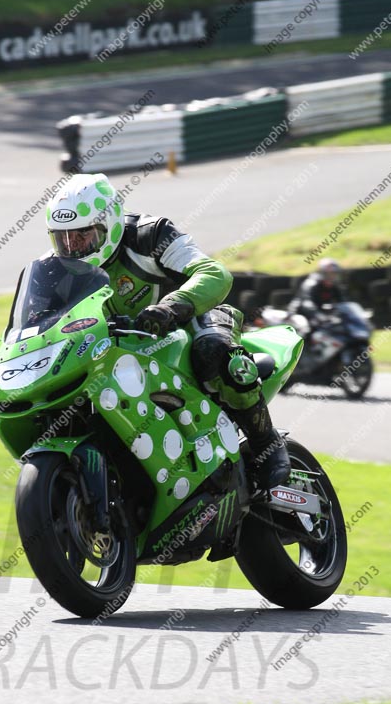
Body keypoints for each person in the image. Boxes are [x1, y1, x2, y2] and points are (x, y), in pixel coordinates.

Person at [45, 172, 290, 489]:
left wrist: (172, 307)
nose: (73, 247)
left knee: (214, 351)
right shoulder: (57, 269)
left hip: (189, 321)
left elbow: (213, 273)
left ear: (110, 224)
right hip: (120, 351)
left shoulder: (150, 235)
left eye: (82, 235)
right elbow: (41, 319)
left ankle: (266, 443)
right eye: (62, 238)